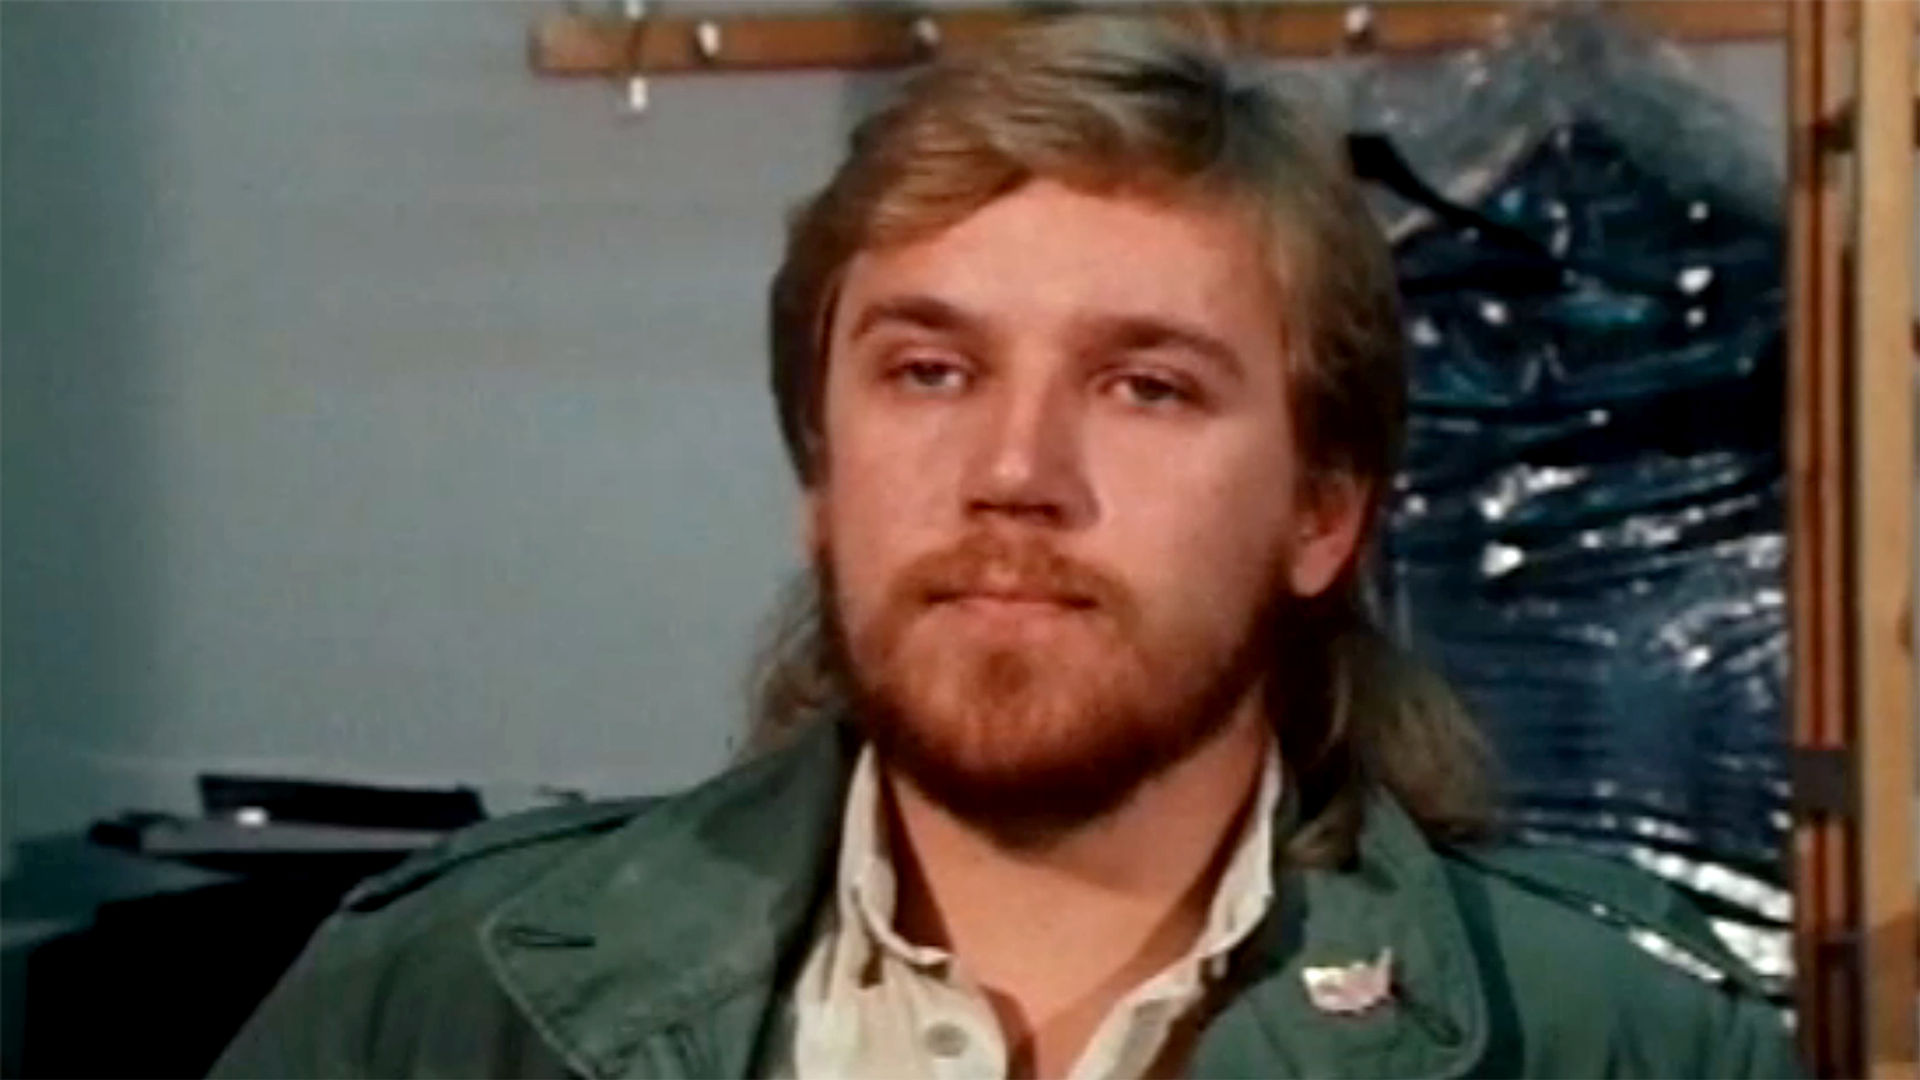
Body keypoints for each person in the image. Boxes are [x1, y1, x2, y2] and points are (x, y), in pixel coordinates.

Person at [214, 16, 1800, 1079]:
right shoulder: (430, 1006)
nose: (1015, 473)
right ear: (822, 474)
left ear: (1323, 514)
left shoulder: (1631, 1045)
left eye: (1146, 385)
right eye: (929, 371)